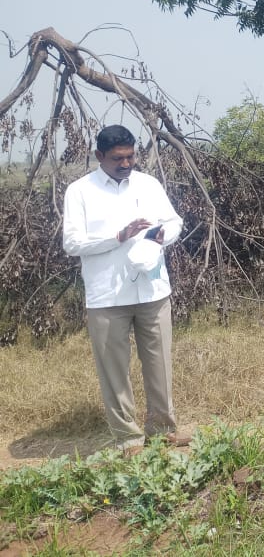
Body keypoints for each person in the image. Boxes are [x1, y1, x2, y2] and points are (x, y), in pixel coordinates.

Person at [63, 125, 186, 454]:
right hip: (107, 296)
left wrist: (163, 235)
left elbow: (174, 221)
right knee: (114, 370)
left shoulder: (148, 184)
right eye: (119, 158)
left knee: (159, 364)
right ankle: (128, 439)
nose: (127, 163)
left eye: (131, 156)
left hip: (153, 291)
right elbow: (72, 243)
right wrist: (118, 236)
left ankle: (163, 431)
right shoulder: (80, 191)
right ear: (99, 156)